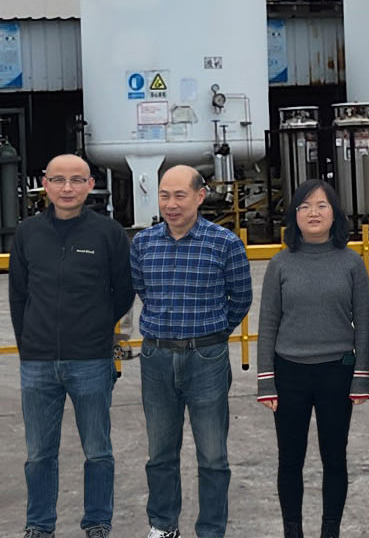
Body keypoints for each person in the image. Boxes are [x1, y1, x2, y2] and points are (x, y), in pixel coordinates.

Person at [11, 153, 135, 538]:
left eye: (77, 180)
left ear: (90, 185)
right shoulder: (28, 233)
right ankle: (39, 525)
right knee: (38, 453)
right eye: (59, 180)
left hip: (91, 359)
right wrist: (28, 345)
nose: (67, 188)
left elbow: (123, 292)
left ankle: (97, 522)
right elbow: (19, 295)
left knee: (97, 449)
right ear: (44, 184)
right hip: (38, 361)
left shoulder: (108, 234)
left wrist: (101, 335)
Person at [130, 164, 253, 538]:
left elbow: (241, 298)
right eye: (164, 195)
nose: (171, 204)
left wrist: (212, 333)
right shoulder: (143, 243)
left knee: (212, 455)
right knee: (160, 453)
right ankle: (163, 525)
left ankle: (211, 530)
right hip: (156, 358)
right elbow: (142, 290)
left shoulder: (224, 243)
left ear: (200, 196)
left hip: (206, 359)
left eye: (180, 195)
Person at [257, 179, 369, 538]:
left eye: (322, 205)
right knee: (290, 459)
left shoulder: (352, 263)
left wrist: (361, 375)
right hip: (289, 373)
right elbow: (268, 323)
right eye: (305, 206)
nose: (313, 213)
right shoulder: (280, 263)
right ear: (294, 215)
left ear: (335, 213)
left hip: (337, 373)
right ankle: (293, 531)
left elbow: (364, 322)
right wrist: (266, 380)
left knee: (334, 458)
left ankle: (330, 531)